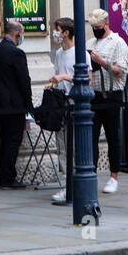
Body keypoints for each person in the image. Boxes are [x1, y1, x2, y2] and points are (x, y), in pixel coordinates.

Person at [86, 8, 128, 194]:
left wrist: (102, 62)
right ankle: (91, 174)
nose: (95, 29)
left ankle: (114, 176)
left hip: (112, 94)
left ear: (106, 24)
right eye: (93, 27)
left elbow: (120, 70)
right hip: (94, 94)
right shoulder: (90, 42)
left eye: (98, 26)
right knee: (91, 137)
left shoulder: (118, 43)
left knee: (113, 136)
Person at [0, 19, 33, 188]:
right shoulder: (16, 53)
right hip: (13, 105)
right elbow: (24, 81)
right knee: (12, 141)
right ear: (17, 34)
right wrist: (29, 106)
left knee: (4, 139)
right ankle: (7, 178)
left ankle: (5, 176)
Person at [48, 17, 77, 203]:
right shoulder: (59, 53)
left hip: (73, 102)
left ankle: (73, 185)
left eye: (58, 30)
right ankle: (67, 184)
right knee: (62, 145)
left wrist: (63, 77)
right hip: (60, 102)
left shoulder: (79, 53)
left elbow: (86, 79)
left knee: (72, 145)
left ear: (66, 32)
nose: (55, 33)